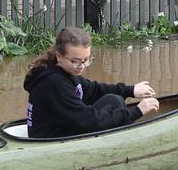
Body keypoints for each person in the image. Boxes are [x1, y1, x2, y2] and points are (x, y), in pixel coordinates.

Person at [24, 26, 161, 138]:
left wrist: (130, 90)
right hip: (52, 140)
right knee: (115, 104)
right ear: (59, 56)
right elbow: (87, 121)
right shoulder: (54, 83)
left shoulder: (66, 71)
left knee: (114, 100)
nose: (81, 66)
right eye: (75, 61)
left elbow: (93, 89)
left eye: (86, 60)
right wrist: (137, 111)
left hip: (63, 128)